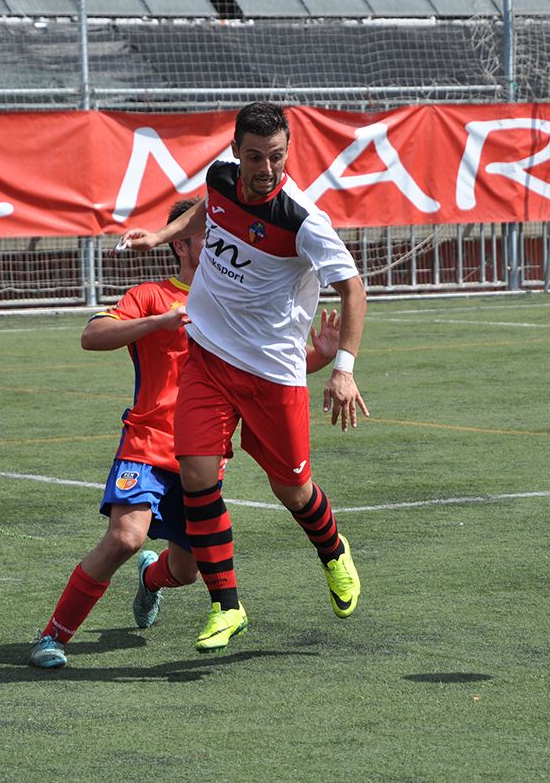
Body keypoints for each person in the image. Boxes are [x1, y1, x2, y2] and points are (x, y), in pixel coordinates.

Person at [29, 198, 343, 669]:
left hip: (201, 458)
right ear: (181, 242)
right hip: (148, 443)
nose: (222, 243)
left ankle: (150, 581)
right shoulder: (153, 295)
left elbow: (269, 372)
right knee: (126, 536)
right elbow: (91, 335)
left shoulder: (233, 305)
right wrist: (158, 322)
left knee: (186, 570)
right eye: (210, 234)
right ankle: (53, 636)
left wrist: (318, 357)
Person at [121, 101, 370, 653]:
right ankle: (226, 606)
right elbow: (206, 212)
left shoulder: (303, 221)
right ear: (236, 152)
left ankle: (334, 554)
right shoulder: (221, 179)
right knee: (196, 475)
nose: (265, 169)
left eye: (276, 157)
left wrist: (344, 370)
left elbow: (353, 289)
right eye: (254, 157)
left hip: (273, 372)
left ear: (288, 153)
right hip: (208, 357)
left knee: (293, 490)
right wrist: (161, 239)